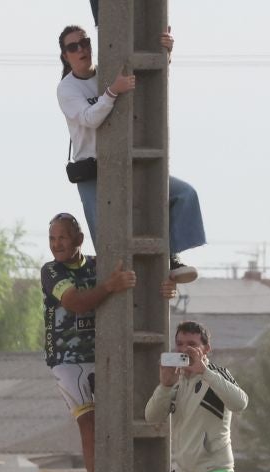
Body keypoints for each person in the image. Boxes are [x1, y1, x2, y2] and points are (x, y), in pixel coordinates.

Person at [56, 23, 204, 282]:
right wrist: (113, 91)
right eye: (73, 47)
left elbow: (146, 86)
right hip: (93, 171)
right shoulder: (67, 88)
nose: (81, 49)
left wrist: (165, 55)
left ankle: (171, 258)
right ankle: (112, 285)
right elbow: (90, 119)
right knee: (107, 239)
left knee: (184, 194)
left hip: (128, 162)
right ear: (65, 56)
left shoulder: (109, 71)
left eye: (85, 42)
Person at [41, 212, 135, 472]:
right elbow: (75, 302)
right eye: (52, 238)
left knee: (118, 420)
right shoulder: (51, 271)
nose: (56, 244)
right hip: (68, 360)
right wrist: (108, 287)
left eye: (62, 238)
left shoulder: (99, 265)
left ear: (79, 239)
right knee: (89, 424)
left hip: (103, 355)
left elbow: (133, 280)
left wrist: (166, 286)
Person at [145, 320, 247, 472]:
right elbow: (152, 417)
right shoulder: (177, 380)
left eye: (192, 344)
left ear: (206, 349)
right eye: (179, 344)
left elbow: (240, 403)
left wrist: (204, 372)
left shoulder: (216, 374)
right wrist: (165, 386)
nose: (185, 349)